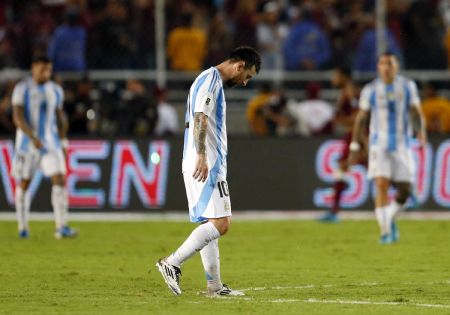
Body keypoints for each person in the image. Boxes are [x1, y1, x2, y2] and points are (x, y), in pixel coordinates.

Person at [156, 46, 260, 296]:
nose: (245, 82)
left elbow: (195, 118)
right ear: (239, 66)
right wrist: (202, 154)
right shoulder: (210, 80)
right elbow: (200, 117)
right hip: (205, 161)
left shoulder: (208, 80)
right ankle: (172, 263)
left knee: (209, 222)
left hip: (202, 159)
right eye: (248, 76)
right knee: (222, 223)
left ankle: (214, 287)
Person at [349, 52, 427, 244]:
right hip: (379, 145)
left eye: (390, 63)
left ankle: (389, 217)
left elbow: (416, 112)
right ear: (378, 67)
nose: (386, 67)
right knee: (381, 185)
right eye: (382, 63)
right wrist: (355, 143)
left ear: (397, 66)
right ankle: (385, 232)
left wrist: (421, 131)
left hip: (402, 144)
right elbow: (361, 117)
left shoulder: (408, 86)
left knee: (405, 191)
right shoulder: (371, 89)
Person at [11, 55, 77, 239]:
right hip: (27, 144)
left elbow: (59, 118)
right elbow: (17, 117)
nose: (45, 72)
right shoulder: (22, 88)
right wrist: (32, 136)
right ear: (33, 67)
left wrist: (64, 142)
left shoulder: (55, 90)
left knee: (60, 179)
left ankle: (61, 227)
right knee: (24, 183)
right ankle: (23, 227)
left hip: (50, 143)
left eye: (48, 69)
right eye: (41, 68)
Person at [319, 67, 362, 222]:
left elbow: (359, 116)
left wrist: (339, 120)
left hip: (356, 135)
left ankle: (334, 211)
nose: (333, 79)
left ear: (343, 76)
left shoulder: (349, 92)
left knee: (342, 168)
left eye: (335, 75)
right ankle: (407, 193)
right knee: (372, 167)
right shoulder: (347, 91)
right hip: (355, 135)